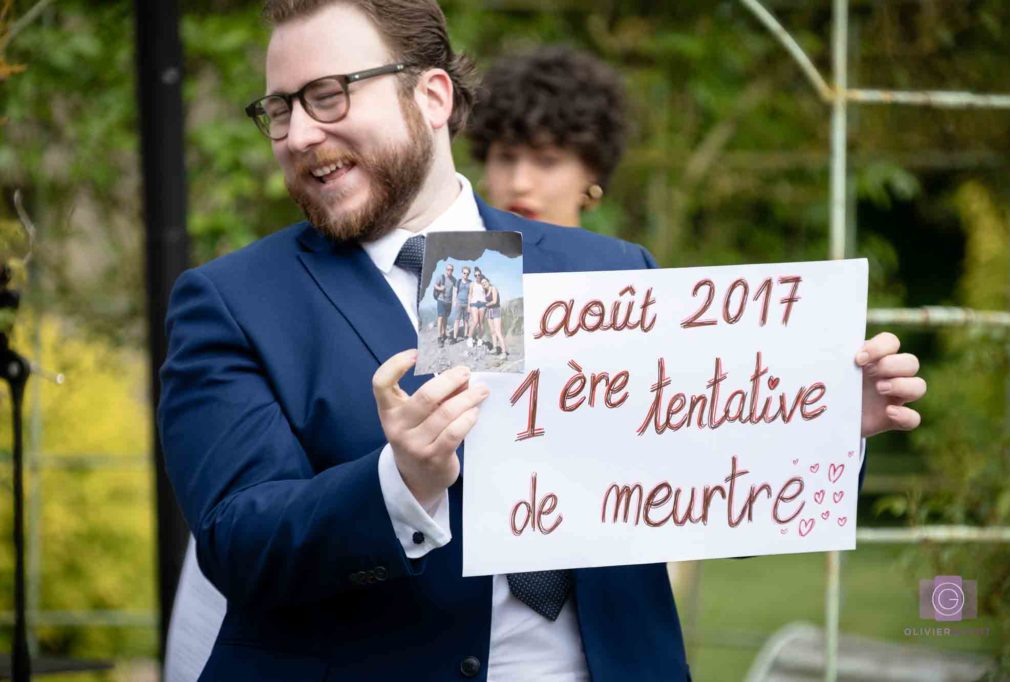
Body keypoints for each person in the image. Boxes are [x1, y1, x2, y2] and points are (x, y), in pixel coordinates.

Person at [158, 1, 926, 679]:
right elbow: (238, 541)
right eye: (279, 109)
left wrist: (820, 419)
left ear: (430, 96)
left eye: (326, 96)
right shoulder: (230, 302)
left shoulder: (610, 271)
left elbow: (702, 496)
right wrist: (400, 483)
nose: (297, 134)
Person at [468, 45, 627, 228]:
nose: (519, 184)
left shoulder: (621, 257)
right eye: (506, 158)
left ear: (592, 171)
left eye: (546, 161)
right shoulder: (451, 254)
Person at [481, 277, 508, 357]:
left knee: (498, 331)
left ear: (488, 281)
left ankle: (504, 352)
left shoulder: (493, 288)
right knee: (492, 331)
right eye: (482, 283)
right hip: (489, 311)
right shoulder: (485, 291)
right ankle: (495, 348)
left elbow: (495, 301)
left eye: (485, 282)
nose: (484, 283)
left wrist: (485, 305)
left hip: (496, 310)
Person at [433, 262, 456, 345]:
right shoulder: (441, 277)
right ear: (446, 270)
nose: (450, 271)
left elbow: (456, 289)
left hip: (449, 302)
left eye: (451, 270)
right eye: (448, 269)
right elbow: (435, 285)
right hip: (441, 300)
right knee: (440, 318)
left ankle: (443, 333)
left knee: (445, 318)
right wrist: (440, 288)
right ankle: (439, 337)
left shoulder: (454, 279)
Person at [467, 266, 489, 349]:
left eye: (478, 275)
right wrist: (469, 305)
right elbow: (470, 294)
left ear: (480, 275)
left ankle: (480, 339)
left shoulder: (483, 283)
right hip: (474, 303)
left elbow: (486, 293)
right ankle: (469, 338)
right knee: (475, 321)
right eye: (475, 275)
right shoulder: (472, 284)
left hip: (482, 304)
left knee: (481, 323)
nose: (477, 276)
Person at [453, 264, 471, 341]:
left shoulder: (470, 282)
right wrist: (454, 301)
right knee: (457, 320)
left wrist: (470, 305)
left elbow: (470, 294)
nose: (465, 275)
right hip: (459, 303)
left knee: (466, 320)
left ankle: (465, 336)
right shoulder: (458, 281)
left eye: (467, 273)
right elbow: (455, 291)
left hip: (467, 303)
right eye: (464, 273)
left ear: (469, 274)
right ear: (462, 273)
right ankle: (454, 337)